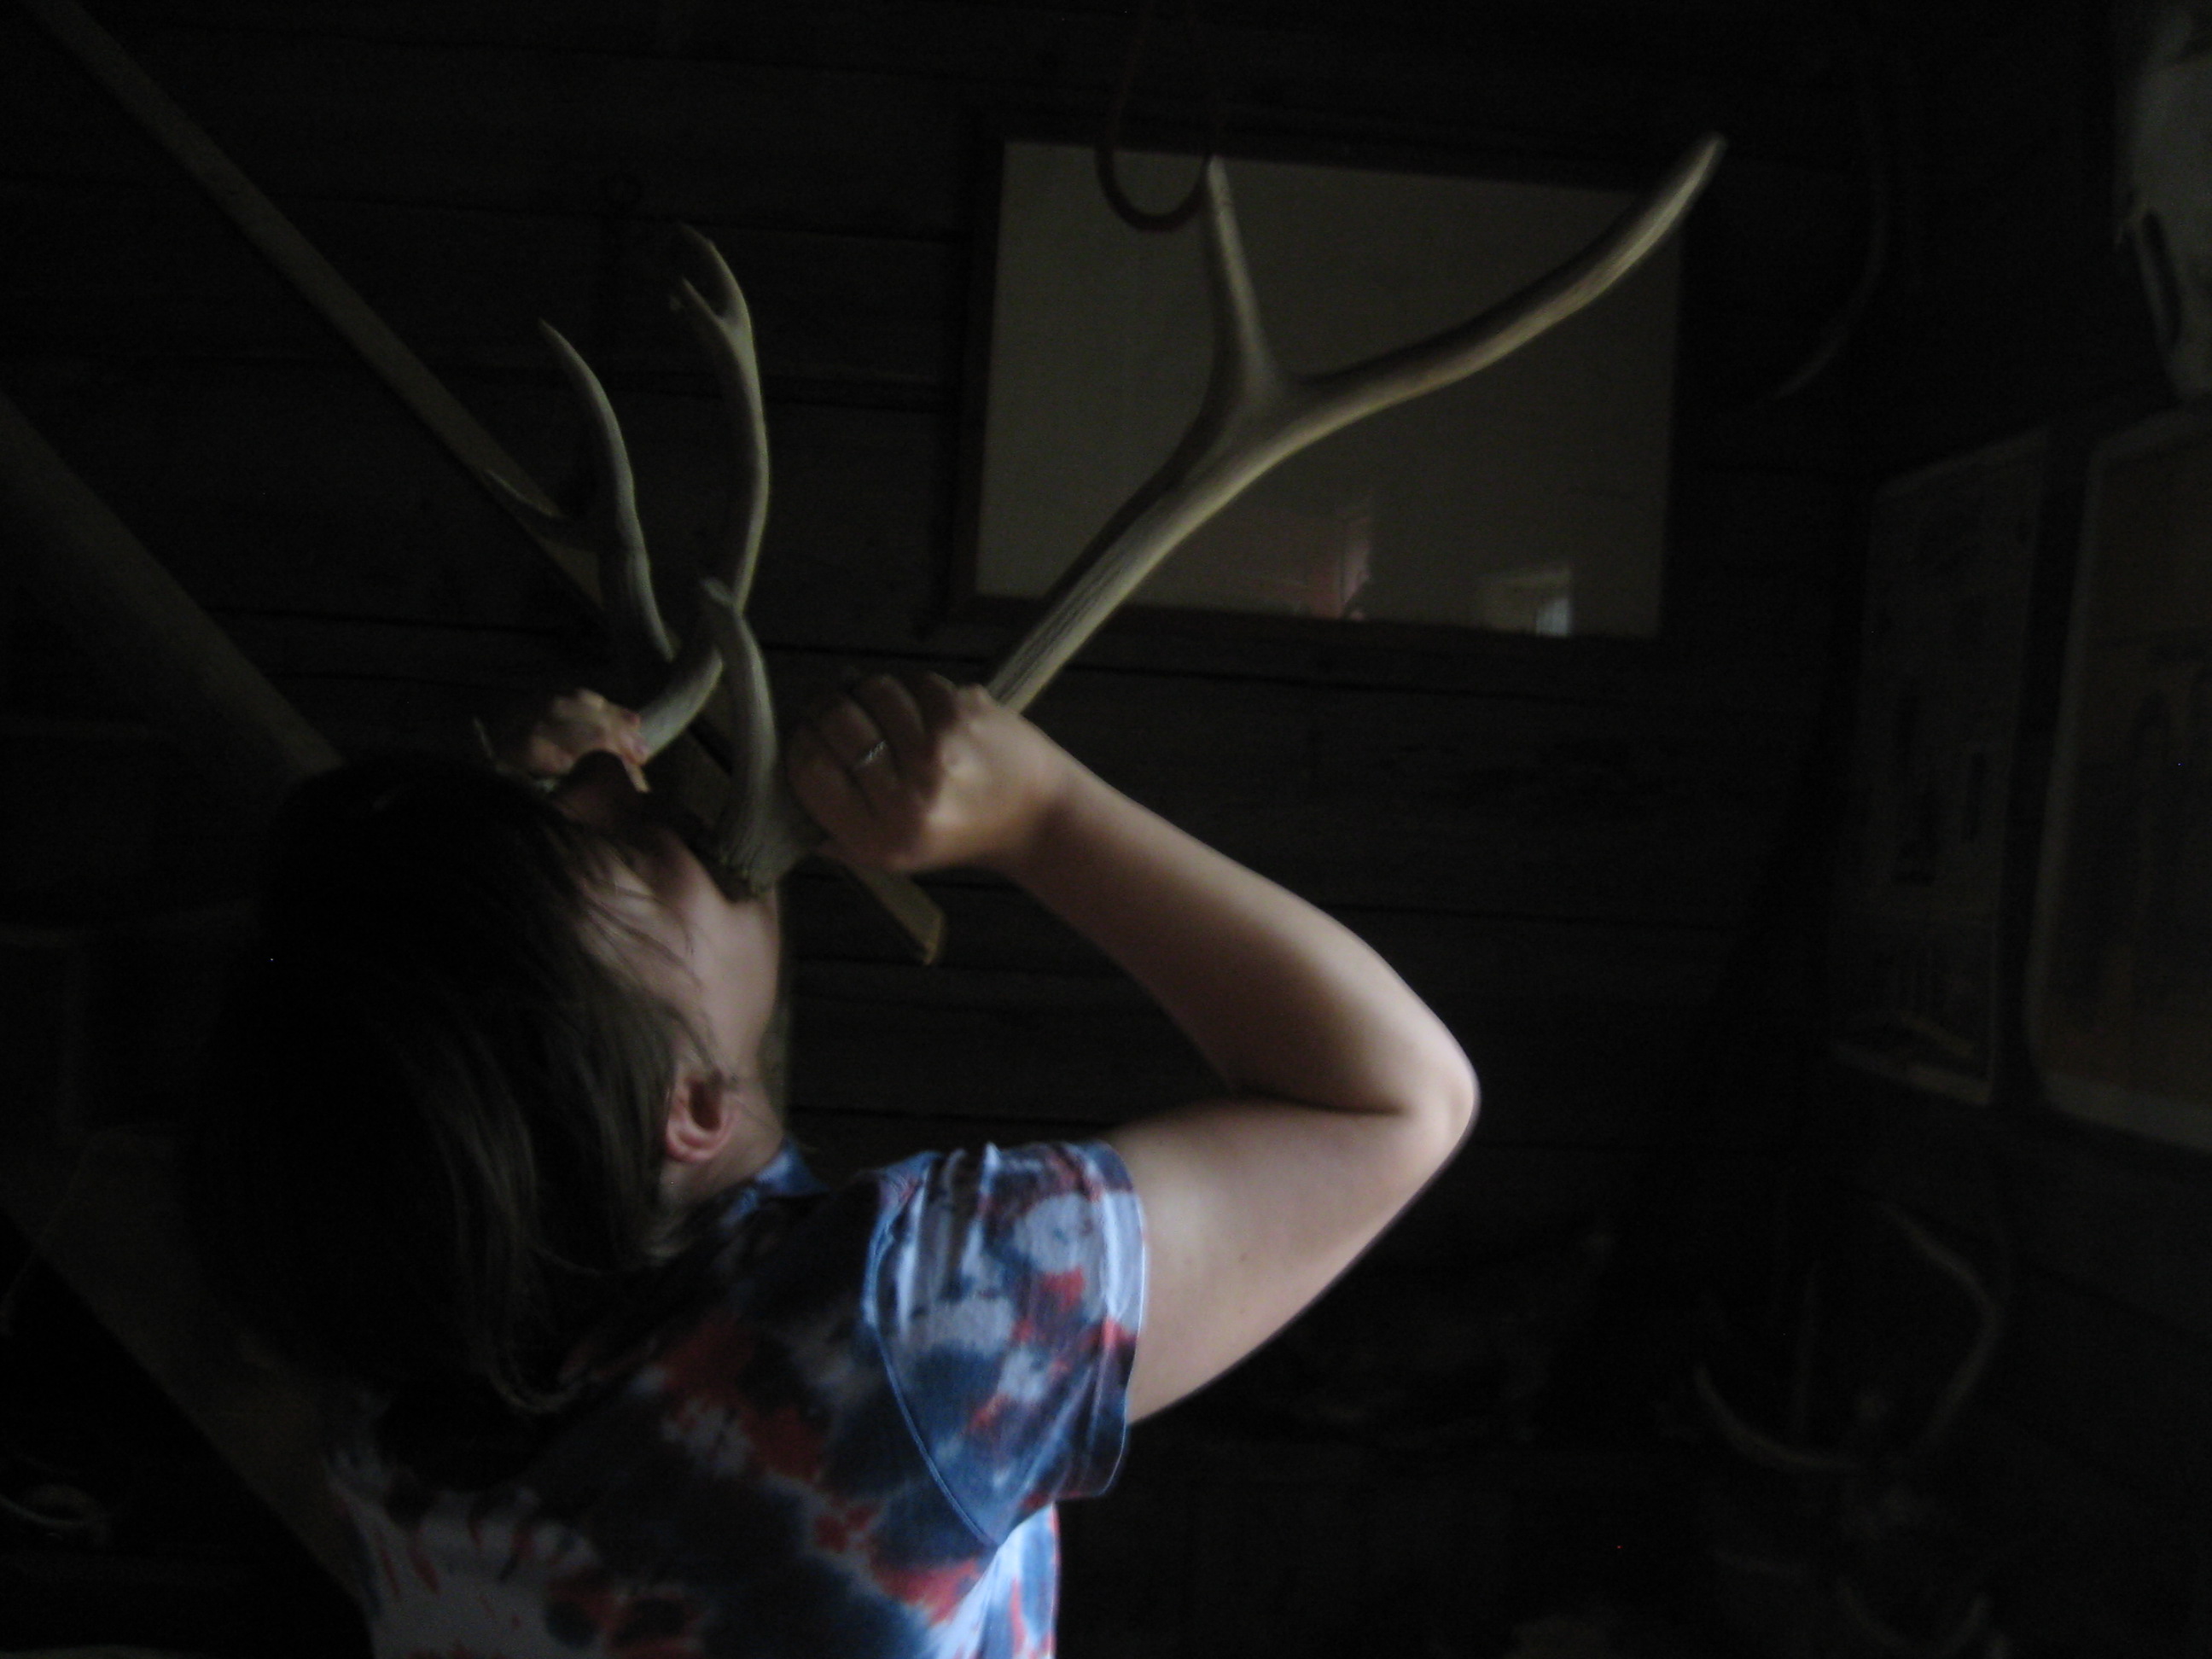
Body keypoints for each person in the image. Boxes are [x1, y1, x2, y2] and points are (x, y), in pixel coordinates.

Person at [184, 673, 1476, 1658]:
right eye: (621, 851)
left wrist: (498, 849)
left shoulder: (395, 1371)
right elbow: (1392, 1100)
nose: (632, 795)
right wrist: (1043, 813)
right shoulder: (893, 1332)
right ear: (689, 1108)